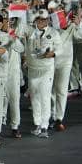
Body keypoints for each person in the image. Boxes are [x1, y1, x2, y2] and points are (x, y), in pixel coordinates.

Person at [21, 10, 61, 138]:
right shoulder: (29, 31)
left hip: (46, 69)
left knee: (45, 96)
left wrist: (53, 54)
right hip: (33, 69)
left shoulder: (53, 33)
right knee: (34, 97)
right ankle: (37, 124)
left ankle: (44, 126)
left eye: (44, 19)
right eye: (39, 19)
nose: (41, 21)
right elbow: (17, 31)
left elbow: (60, 48)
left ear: (48, 20)